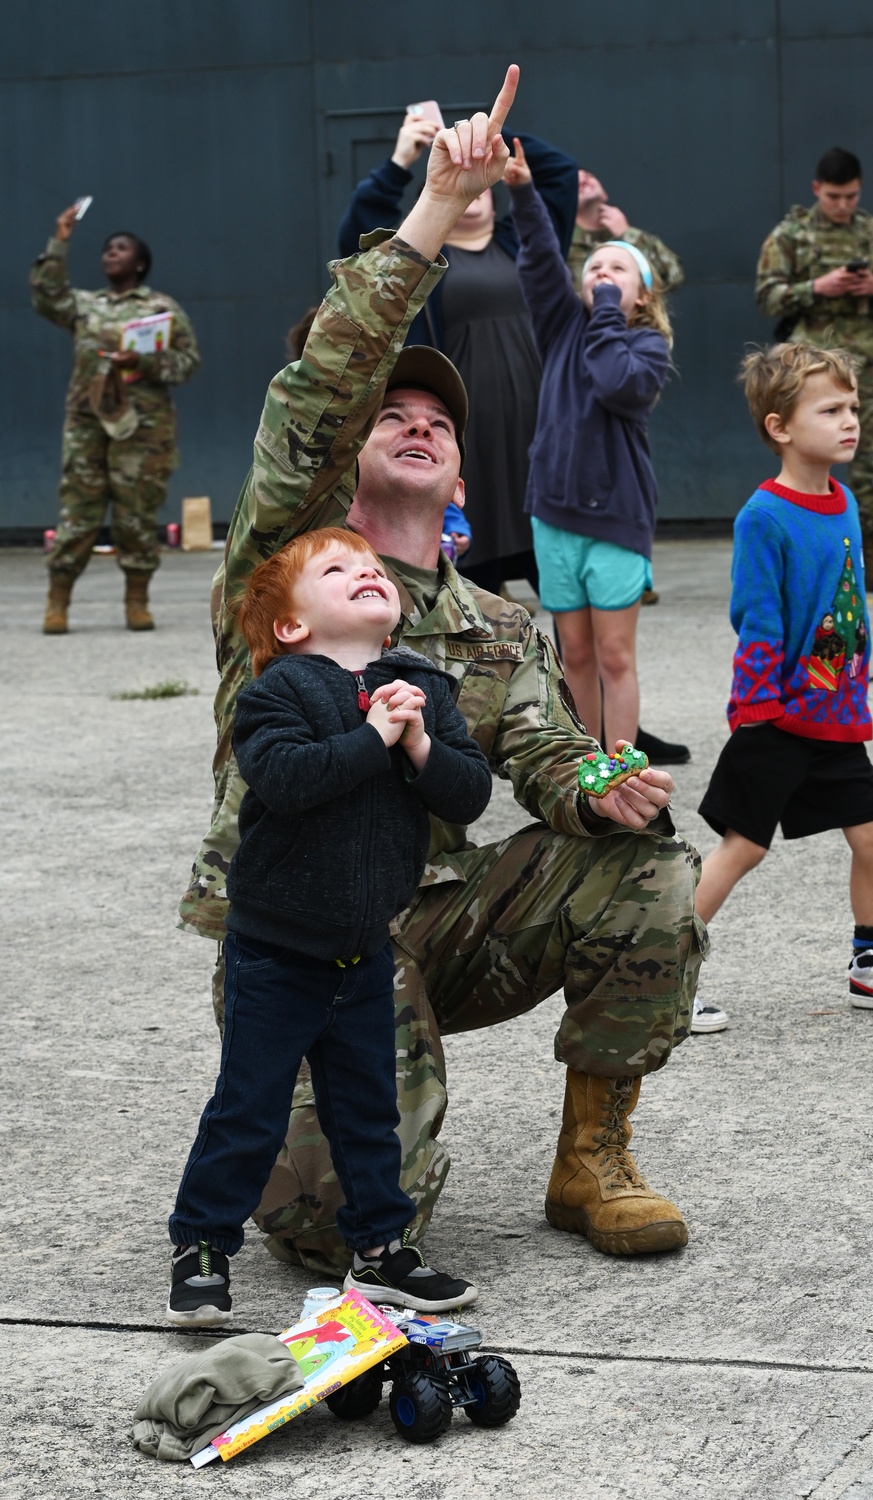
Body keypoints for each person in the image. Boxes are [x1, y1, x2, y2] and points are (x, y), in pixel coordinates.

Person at [180, 66, 704, 1275]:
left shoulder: (498, 624)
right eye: (390, 415)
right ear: (346, 452)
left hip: (448, 914)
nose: (417, 423)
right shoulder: (290, 571)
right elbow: (317, 389)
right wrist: (433, 209)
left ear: (463, 475)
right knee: (334, 1237)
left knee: (645, 866)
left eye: (440, 422)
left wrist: (594, 788)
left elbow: (541, 747)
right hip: (308, 933)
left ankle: (593, 1158)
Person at [168, 525, 491, 1325]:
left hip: (362, 950)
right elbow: (285, 778)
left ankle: (381, 1250)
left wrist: (417, 742)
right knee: (250, 1105)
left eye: (374, 567)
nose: (366, 574)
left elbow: (468, 795)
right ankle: (202, 1242)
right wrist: (371, 738)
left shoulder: (423, 687)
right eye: (339, 569)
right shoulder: (279, 690)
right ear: (291, 626)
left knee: (367, 1110)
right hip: (275, 951)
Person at [693, 342, 873, 1024]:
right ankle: (658, 972)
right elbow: (756, 616)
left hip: (833, 715)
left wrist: (853, 683)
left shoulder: (842, 500)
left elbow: (844, 607)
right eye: (831, 409)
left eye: (854, 408)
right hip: (776, 714)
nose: (850, 422)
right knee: (743, 847)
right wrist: (753, 705)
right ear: (780, 427)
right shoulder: (764, 516)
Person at [337, 107, 577, 598]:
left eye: (480, 183)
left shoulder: (525, 240)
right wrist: (406, 157)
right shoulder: (423, 262)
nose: (472, 196)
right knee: (473, 577)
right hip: (471, 437)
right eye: (462, 184)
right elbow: (357, 240)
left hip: (538, 429)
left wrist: (485, 135)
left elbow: (560, 173)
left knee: (560, 579)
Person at [506, 141, 681, 758]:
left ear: (644, 296)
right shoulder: (560, 326)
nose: (600, 275)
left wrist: (606, 312)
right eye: (594, 269)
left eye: (617, 270)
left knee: (613, 654)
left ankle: (623, 767)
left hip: (615, 519)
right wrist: (523, 192)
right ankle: (584, 767)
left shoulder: (646, 349)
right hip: (554, 514)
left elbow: (613, 383)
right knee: (573, 652)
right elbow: (539, 257)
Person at [755, 147, 873, 594]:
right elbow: (767, 295)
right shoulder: (791, 235)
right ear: (816, 190)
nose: (843, 205)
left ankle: (872, 559)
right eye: (833, 196)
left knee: (871, 467)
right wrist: (818, 287)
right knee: (805, 465)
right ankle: (810, 558)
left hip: (869, 372)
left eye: (850, 196)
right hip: (809, 374)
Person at [31, 204, 201, 633]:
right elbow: (47, 297)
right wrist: (60, 239)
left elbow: (187, 361)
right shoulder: (85, 305)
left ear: (139, 263)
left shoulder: (161, 308)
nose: (111, 253)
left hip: (143, 429)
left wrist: (144, 362)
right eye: (107, 248)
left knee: (135, 515)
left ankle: (137, 600)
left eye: (121, 249)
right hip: (88, 422)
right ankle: (57, 600)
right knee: (79, 511)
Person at [286, 304, 471, 560]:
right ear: (344, 466)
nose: (422, 427)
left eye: (440, 425)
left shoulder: (484, 602)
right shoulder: (296, 571)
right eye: (392, 416)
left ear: (458, 490)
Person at [569, 168, 684, 302]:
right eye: (574, 182)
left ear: (604, 193)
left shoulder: (630, 235)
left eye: (588, 176)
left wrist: (627, 234)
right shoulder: (562, 247)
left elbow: (673, 277)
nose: (583, 180)